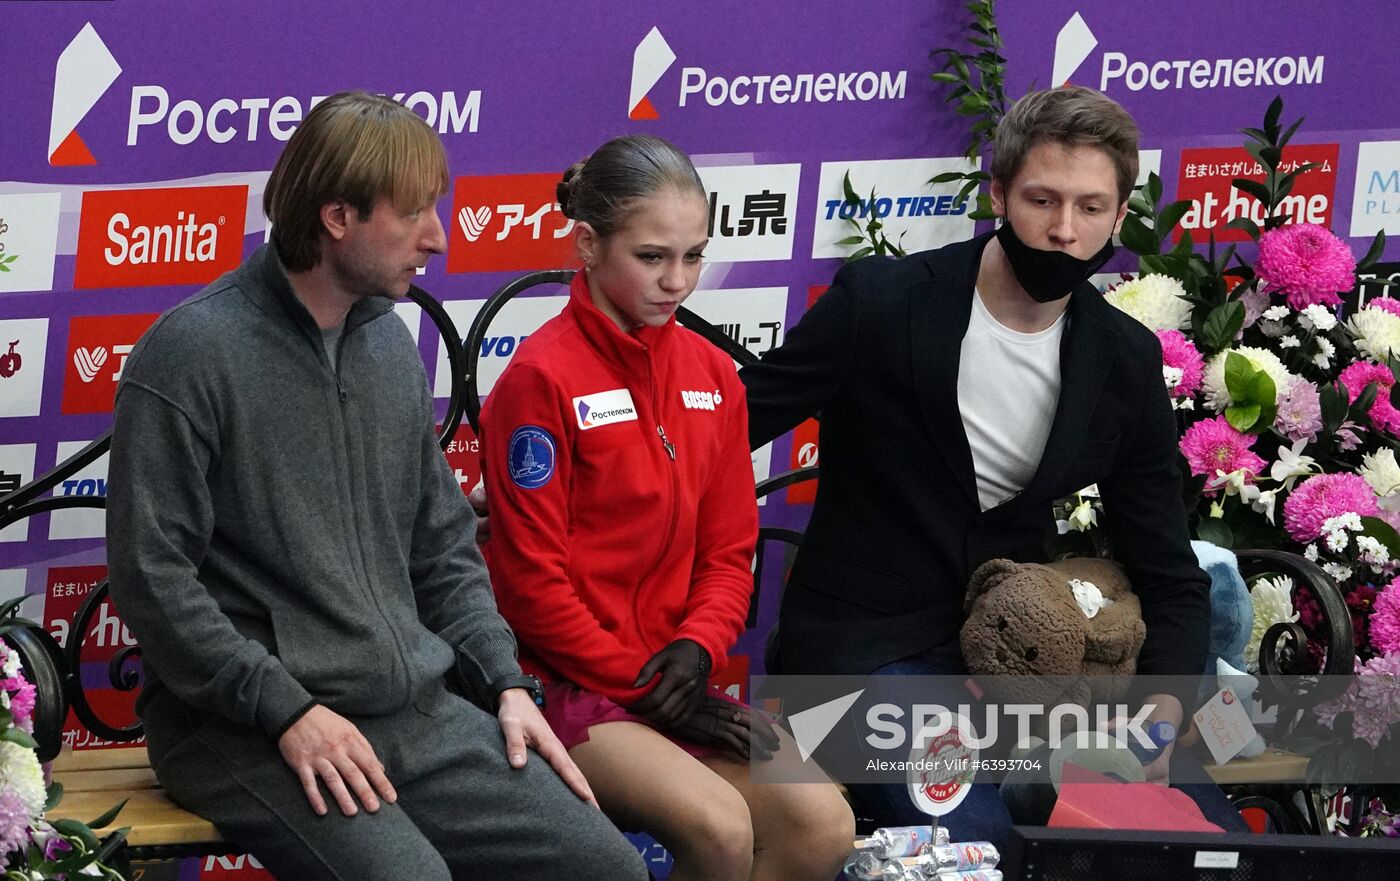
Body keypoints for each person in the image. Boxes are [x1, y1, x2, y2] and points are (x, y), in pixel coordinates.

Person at [105, 91, 645, 881]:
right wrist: (285, 708)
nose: (439, 235)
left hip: (409, 711)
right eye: (415, 212)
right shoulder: (191, 353)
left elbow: (441, 546)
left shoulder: (389, 346)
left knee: (606, 869)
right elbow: (152, 577)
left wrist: (504, 680)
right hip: (243, 724)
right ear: (336, 219)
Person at [740, 86, 1245, 839]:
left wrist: (1161, 712)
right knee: (980, 844)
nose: (1064, 230)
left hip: (1024, 663)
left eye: (1091, 207)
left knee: (1206, 841)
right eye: (1043, 200)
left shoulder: (1122, 358)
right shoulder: (883, 302)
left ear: (1119, 212)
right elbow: (721, 426)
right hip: (859, 657)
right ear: (999, 193)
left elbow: (1168, 569)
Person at [480, 135, 854, 881]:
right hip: (562, 686)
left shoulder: (715, 373)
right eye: (652, 257)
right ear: (587, 243)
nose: (677, 280)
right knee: (718, 824)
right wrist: (648, 686)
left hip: (675, 679)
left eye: (693, 255)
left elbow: (727, 552)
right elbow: (530, 586)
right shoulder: (540, 377)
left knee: (822, 821)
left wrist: (697, 651)